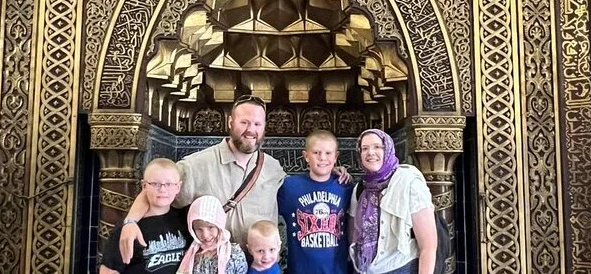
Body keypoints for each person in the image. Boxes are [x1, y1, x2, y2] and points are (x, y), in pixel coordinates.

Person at [120, 95, 349, 263]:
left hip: (261, 266)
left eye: (257, 124)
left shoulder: (272, 168)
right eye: (244, 122)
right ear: (230, 122)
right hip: (215, 265)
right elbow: (155, 189)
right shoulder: (198, 165)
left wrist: (332, 172)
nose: (251, 130)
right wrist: (130, 223)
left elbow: (305, 187)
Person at [348, 129, 437, 274]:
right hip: (364, 269)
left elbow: (428, 245)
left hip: (401, 267)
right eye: (364, 148)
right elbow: (353, 237)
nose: (370, 152)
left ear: (388, 149)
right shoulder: (360, 189)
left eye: (377, 147)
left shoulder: (408, 183)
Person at [277, 129, 353, 274]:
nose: (322, 158)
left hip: (337, 270)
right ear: (306, 156)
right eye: (316, 152)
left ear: (336, 156)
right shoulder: (289, 187)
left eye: (328, 153)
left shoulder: (346, 187)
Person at [100, 158, 191, 274]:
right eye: (155, 184)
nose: (162, 189)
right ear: (144, 186)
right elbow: (108, 271)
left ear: (178, 187)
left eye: (169, 184)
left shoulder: (184, 220)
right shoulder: (127, 230)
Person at [177, 195, 248, 274]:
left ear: (219, 225)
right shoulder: (190, 255)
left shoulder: (234, 254)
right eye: (199, 229)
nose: (205, 235)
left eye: (211, 227)